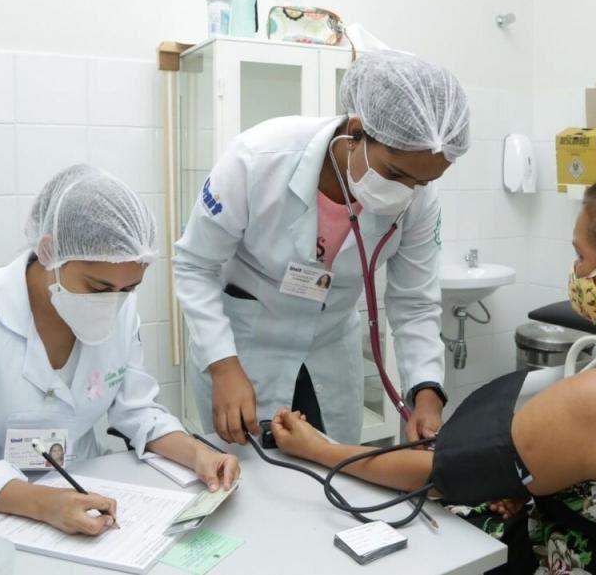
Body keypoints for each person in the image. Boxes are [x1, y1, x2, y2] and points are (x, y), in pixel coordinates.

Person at [268, 166, 596, 574]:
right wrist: (539, 486)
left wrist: (320, 449)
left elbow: (436, 476)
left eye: (581, 256)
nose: (577, 272)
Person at [173, 49, 470, 446]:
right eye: (396, 173)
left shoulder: (418, 197)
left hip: (329, 352)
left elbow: (414, 303)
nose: (406, 192)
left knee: (334, 469)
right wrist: (223, 365)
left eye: (421, 182)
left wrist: (427, 394)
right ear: (357, 131)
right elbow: (195, 265)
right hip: (244, 349)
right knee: (246, 473)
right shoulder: (257, 158)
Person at [0, 165, 239, 536]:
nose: (113, 302)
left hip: (88, 492)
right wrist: (45, 504)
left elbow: (138, 411)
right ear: (49, 252)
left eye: (129, 289)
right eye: (98, 288)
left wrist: (199, 454)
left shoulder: (121, 308)